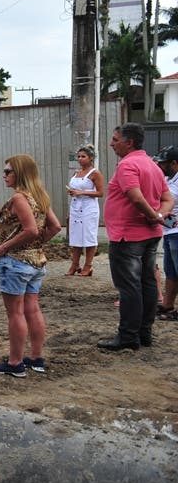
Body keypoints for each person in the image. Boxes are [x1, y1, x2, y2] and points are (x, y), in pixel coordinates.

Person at [99, 123, 173, 351]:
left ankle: (128, 336)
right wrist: (158, 216)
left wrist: (153, 216)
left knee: (129, 287)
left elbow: (136, 198)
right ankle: (144, 333)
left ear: (129, 142)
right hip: (149, 235)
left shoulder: (127, 165)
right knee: (147, 283)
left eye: (115, 139)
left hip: (128, 236)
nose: (111, 144)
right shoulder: (152, 165)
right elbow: (168, 198)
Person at [0, 155, 62, 377]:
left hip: (15, 262)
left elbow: (30, 229)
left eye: (8, 172)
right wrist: (36, 245)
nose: (4, 176)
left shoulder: (20, 198)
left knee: (15, 313)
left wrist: (4, 247)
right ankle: (36, 358)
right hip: (35, 261)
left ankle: (15, 363)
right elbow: (55, 226)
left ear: (20, 173)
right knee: (32, 309)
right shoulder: (40, 195)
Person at [66, 144, 103, 276]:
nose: (80, 159)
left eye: (83, 156)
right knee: (75, 235)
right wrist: (73, 192)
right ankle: (75, 264)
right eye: (79, 156)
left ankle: (88, 265)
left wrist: (82, 192)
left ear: (91, 158)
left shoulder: (95, 173)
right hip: (76, 206)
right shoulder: (76, 173)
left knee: (88, 236)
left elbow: (100, 193)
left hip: (88, 208)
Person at [154, 146, 178, 321]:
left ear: (174, 163)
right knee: (171, 271)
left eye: (163, 163)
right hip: (169, 231)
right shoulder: (167, 179)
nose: (160, 166)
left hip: (176, 231)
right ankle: (167, 305)